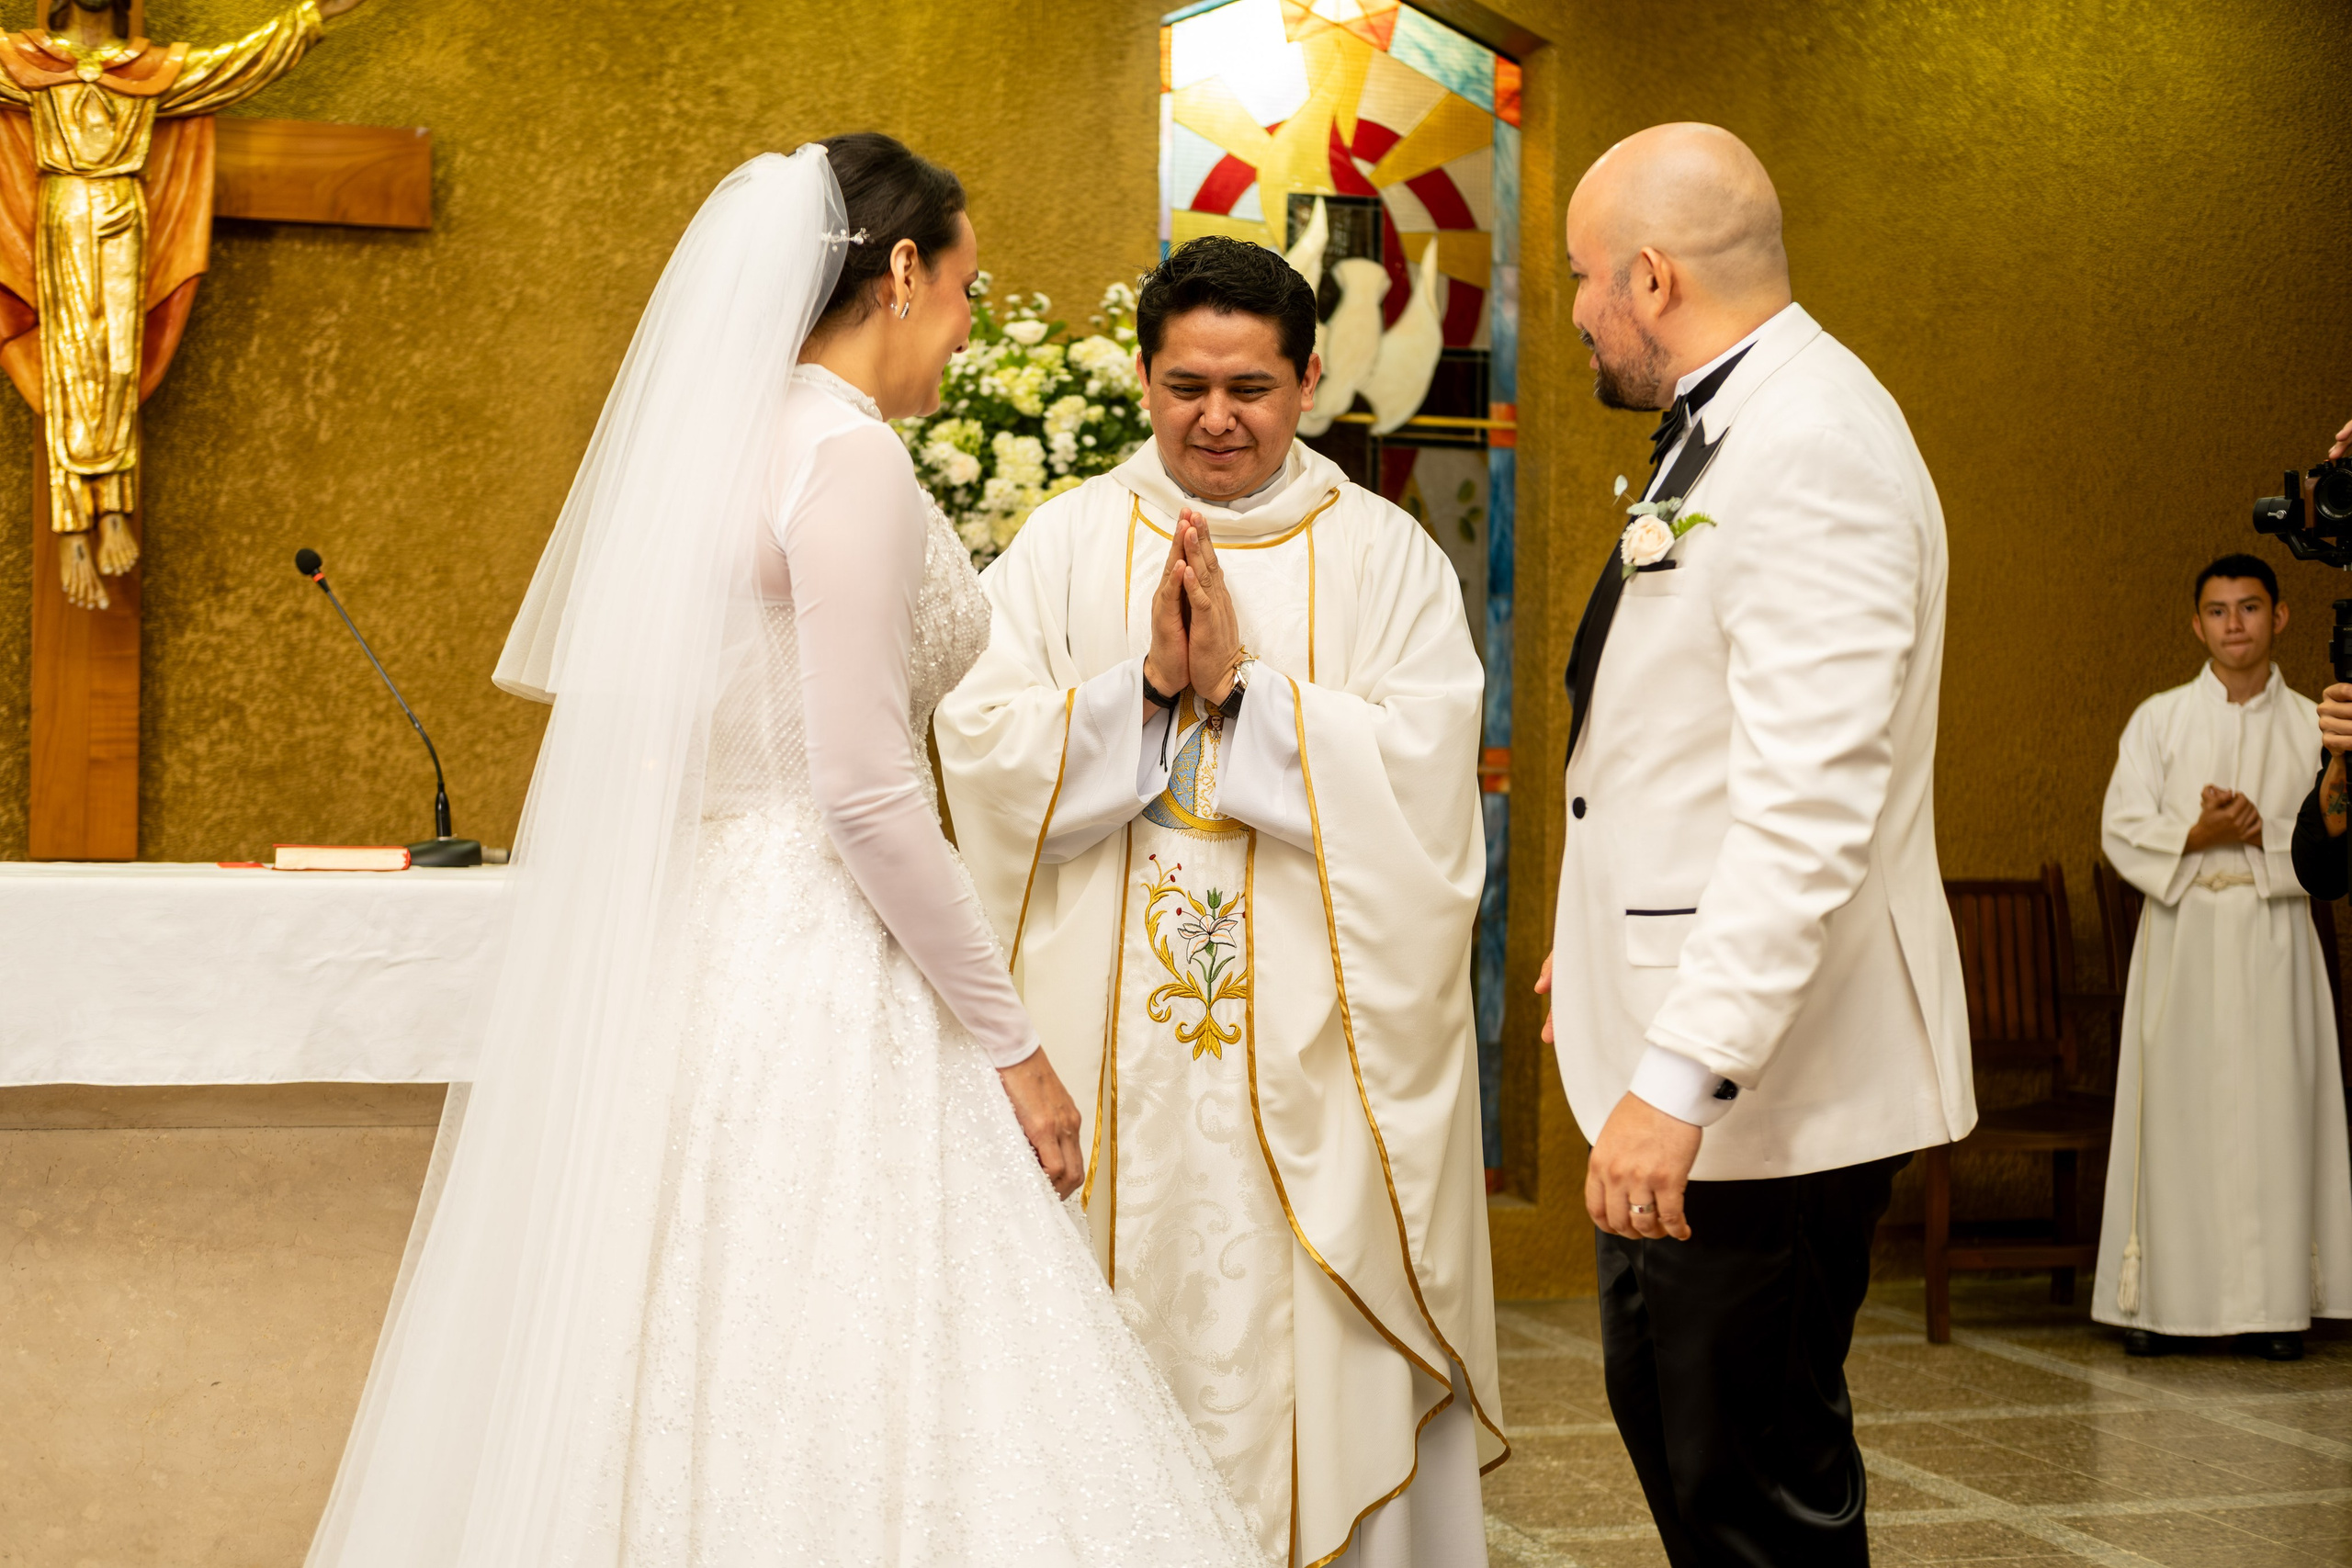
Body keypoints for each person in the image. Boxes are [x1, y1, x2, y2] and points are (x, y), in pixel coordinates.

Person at [300, 140, 1258, 1567]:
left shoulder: (707, 450)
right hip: (819, 969)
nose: (966, 327)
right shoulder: (846, 453)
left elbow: (707, 743)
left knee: (670, 1345)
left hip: (689, 963)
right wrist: (1013, 1045)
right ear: (903, 270)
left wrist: (1146, 691)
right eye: (964, 291)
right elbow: (867, 793)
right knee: (867, 1349)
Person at [936, 235, 1505, 1567]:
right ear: (1142, 375)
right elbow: (977, 744)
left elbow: (1431, 791)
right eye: (1186, 382)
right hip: (1099, 1057)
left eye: (1250, 385)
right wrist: (1139, 690)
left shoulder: (1388, 558)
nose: (1216, 415)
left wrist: (1249, 691)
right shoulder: (1066, 540)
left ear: (1311, 380)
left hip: (1314, 1081)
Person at [1535, 123, 1971, 1568]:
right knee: (1686, 1435)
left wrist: (1678, 1073)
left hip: (1755, 1088)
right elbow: (1685, 747)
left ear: (1651, 278)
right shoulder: (1745, 418)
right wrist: (1594, 944)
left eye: (1587, 278)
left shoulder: (1813, 446)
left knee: (1755, 1486)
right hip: (1704, 1047)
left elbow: (1808, 800)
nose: (1581, 308)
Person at [2105, 555, 2352, 1359]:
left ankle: (2275, 1307)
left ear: (2280, 617)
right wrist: (2195, 832)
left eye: (2250, 607)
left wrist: (2257, 834)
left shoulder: (2319, 723)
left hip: (2272, 931)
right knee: (2175, 1113)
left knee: (2275, 1114)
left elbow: (2330, 837)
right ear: (2196, 623)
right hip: (2182, 939)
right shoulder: (2158, 719)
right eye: (2217, 610)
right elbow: (2120, 826)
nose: (2233, 623)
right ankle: (2165, 1306)